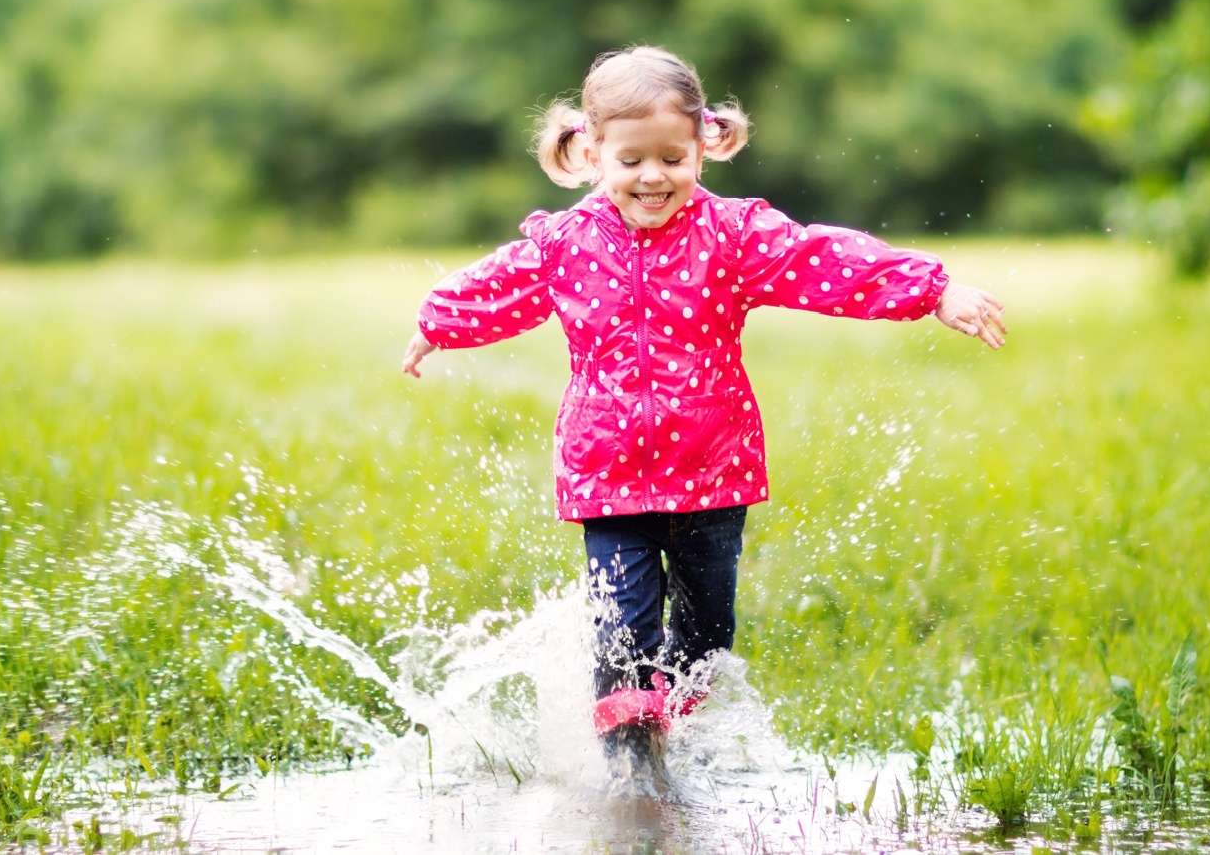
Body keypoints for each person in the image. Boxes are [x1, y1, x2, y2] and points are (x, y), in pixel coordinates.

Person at [400, 46, 1006, 772]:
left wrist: (932, 290)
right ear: (593, 154)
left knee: (705, 639)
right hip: (609, 479)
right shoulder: (566, 245)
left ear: (703, 147)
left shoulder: (734, 235)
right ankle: (633, 776)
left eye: (671, 158)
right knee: (620, 635)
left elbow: (824, 260)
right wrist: (438, 321)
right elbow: (498, 285)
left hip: (715, 476)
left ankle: (674, 734)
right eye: (631, 161)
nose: (652, 176)